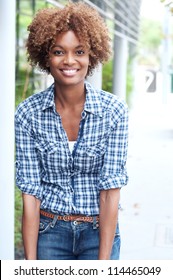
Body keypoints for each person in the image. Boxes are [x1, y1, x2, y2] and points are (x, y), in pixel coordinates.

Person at [15, 1, 128, 260]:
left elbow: (110, 192)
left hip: (98, 231)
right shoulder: (28, 114)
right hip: (49, 231)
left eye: (79, 51)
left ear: (91, 56)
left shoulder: (114, 111)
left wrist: (103, 265)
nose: (69, 61)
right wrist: (30, 266)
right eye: (59, 51)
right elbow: (30, 194)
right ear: (46, 56)